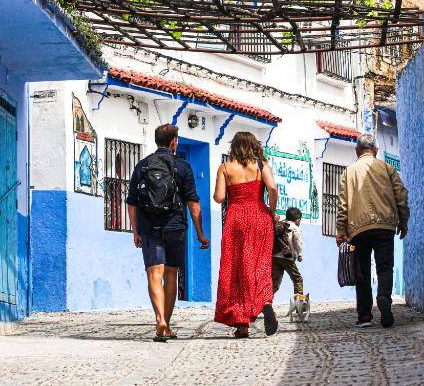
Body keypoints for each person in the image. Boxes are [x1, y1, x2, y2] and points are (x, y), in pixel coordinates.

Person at [126, 124, 209, 342]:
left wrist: (136, 231)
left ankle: (159, 319)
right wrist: (200, 233)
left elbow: (132, 203)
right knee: (171, 274)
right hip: (175, 226)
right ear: (174, 142)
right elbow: (193, 203)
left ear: (156, 141)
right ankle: (168, 324)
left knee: (154, 274)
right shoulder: (182, 167)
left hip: (149, 226)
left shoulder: (142, 166)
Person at [336, 133, 410, 329]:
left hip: (359, 228)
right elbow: (401, 195)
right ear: (376, 151)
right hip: (385, 226)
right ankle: (384, 297)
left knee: (362, 272)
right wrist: (403, 221)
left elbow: (343, 204)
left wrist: (341, 230)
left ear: (357, 151)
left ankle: (365, 316)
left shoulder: (348, 172)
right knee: (385, 267)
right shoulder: (387, 168)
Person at [213, 131, 279, 338]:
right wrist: (272, 209)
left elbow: (219, 197)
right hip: (259, 216)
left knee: (237, 268)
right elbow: (272, 188)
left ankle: (241, 324)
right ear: (254, 146)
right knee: (260, 264)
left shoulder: (225, 168)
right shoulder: (261, 165)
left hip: (236, 218)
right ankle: (265, 302)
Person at [272, 207, 304, 298]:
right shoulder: (295, 228)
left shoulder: (280, 224)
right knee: (297, 279)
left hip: (274, 256)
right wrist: (300, 255)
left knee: (274, 282)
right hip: (287, 258)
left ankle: (266, 301)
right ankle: (299, 302)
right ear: (297, 220)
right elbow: (298, 242)